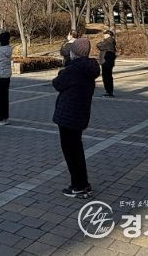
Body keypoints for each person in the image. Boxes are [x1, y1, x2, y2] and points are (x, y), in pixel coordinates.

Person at [52, 37, 100, 198]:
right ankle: (83, 183)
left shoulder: (73, 69)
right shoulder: (89, 68)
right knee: (77, 151)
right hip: (79, 114)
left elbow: (57, 83)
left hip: (68, 116)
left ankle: (78, 186)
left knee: (71, 152)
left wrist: (66, 66)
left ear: (74, 53)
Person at [96, 29, 117, 97]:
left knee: (106, 77)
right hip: (108, 62)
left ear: (108, 35)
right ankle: (109, 91)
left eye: (105, 34)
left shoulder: (108, 41)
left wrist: (102, 42)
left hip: (106, 62)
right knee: (108, 77)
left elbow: (98, 45)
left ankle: (109, 92)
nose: (104, 35)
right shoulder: (110, 41)